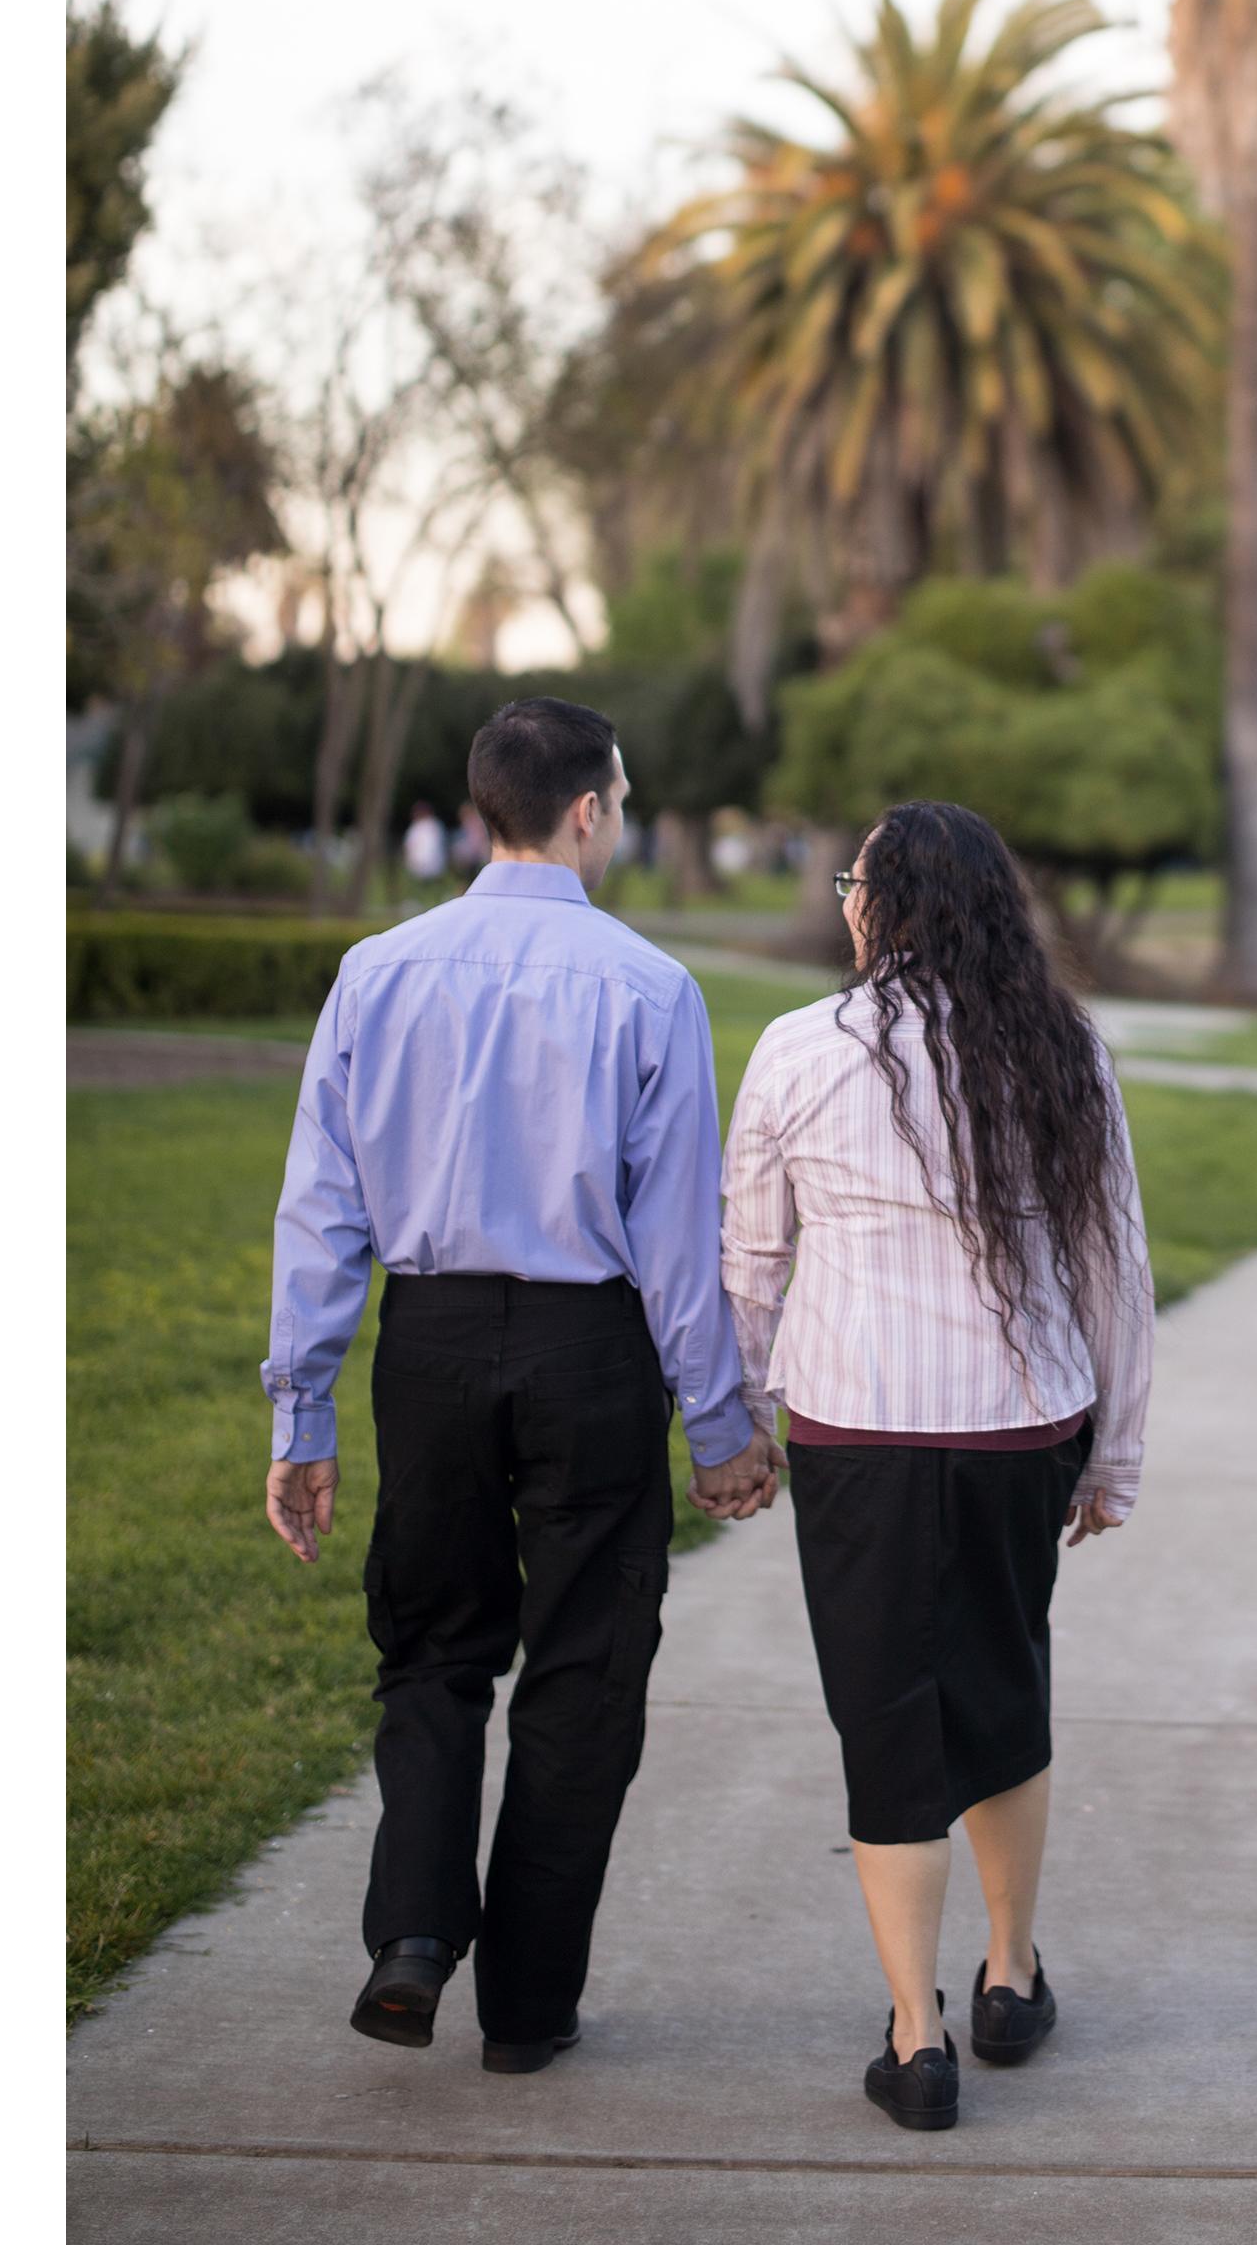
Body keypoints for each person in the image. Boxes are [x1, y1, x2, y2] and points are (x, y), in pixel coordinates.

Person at [263, 697, 777, 2074]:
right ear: (591, 810)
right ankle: (530, 2007)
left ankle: (416, 1934)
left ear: (486, 805)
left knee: (432, 1647)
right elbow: (677, 1238)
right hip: (589, 1354)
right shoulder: (648, 988)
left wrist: (300, 1409)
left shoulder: (377, 971)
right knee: (585, 1667)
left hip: (425, 1346)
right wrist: (722, 1429)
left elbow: (321, 1206)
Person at [721, 800, 1155, 2134]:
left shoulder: (800, 1050)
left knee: (885, 1714)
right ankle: (1010, 1980)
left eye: (856, 879)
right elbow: (1112, 1265)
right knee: (1002, 1684)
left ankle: (918, 2043)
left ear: (879, 906)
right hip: (1024, 1429)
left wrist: (733, 1421)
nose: (846, 897)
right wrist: (1116, 1452)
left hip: (858, 1436)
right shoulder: (1061, 1045)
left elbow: (749, 1261)